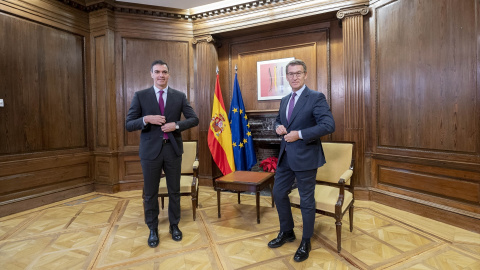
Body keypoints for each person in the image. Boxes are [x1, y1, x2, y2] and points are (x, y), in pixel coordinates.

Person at [126, 60, 199, 248]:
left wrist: (176, 125)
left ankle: (174, 225)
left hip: (172, 149)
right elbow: (129, 124)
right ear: (151, 74)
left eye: (164, 72)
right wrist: (146, 119)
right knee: (150, 192)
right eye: (157, 72)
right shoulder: (141, 96)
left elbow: (194, 119)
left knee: (174, 190)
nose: (161, 75)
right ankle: (153, 228)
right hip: (150, 152)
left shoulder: (179, 96)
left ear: (169, 74)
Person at [268, 59, 335, 262]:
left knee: (306, 201)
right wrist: (277, 126)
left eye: (298, 73)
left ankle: (306, 241)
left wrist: (300, 134)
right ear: (286, 77)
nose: (294, 77)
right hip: (286, 156)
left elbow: (328, 125)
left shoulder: (315, 97)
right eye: (290, 74)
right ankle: (287, 232)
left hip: (306, 156)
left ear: (305, 74)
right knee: (278, 193)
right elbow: (280, 120)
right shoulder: (285, 99)